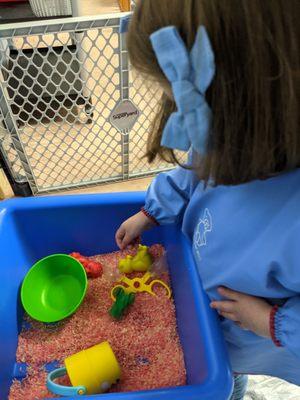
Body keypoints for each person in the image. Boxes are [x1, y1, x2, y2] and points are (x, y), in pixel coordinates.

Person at [115, 1, 300, 399]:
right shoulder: (225, 136)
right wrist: (151, 212)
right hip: (203, 306)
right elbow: (191, 171)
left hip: (249, 335)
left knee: (226, 380)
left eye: (184, 108)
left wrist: (272, 322)